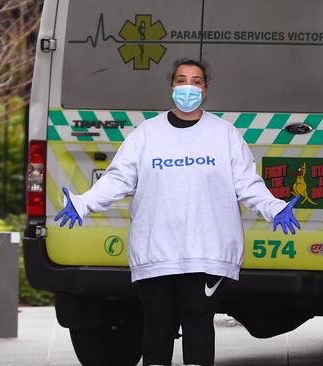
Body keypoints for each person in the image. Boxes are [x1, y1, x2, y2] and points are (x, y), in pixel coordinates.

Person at [54, 59, 301, 366]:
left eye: (195, 81)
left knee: (197, 318)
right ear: (171, 86)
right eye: (181, 80)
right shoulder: (147, 134)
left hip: (207, 249)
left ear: (205, 89)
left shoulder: (224, 134)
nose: (188, 87)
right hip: (156, 248)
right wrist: (84, 202)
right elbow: (119, 178)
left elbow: (247, 183)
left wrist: (274, 207)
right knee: (157, 320)